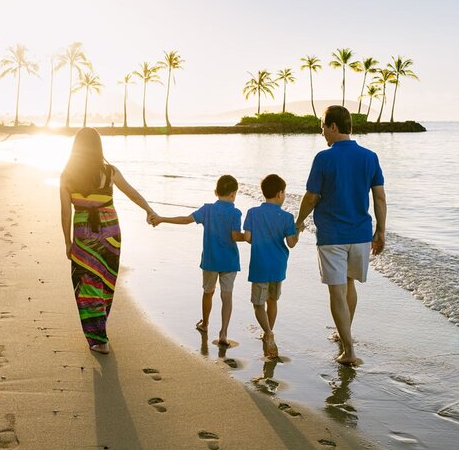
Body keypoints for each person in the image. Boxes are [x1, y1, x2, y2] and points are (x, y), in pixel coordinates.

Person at [295, 105, 387, 365]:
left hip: (332, 236)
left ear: (333, 126)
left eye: (323, 126)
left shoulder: (323, 158)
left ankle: (349, 351)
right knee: (349, 284)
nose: (322, 132)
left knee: (337, 291)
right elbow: (379, 197)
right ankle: (343, 332)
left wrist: (299, 220)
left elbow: (312, 196)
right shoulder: (370, 156)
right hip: (360, 234)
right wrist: (381, 230)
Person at [59, 127, 157, 354]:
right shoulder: (110, 171)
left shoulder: (67, 175)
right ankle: (100, 330)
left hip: (84, 234)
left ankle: (98, 337)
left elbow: (65, 213)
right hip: (111, 232)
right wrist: (148, 209)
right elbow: (131, 193)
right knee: (106, 280)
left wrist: (67, 242)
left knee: (87, 282)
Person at [154, 175, 245, 345]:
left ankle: (205, 323)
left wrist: (162, 219)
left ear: (216, 192)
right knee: (227, 296)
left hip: (211, 261)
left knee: (208, 292)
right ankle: (224, 332)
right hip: (229, 262)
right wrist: (249, 237)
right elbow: (235, 236)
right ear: (234, 194)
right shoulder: (235, 212)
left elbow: (186, 220)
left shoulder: (207, 210)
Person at [243, 174, 298, 358]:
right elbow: (291, 243)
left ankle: (268, 333)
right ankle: (269, 333)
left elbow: (249, 238)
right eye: (284, 193)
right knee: (272, 301)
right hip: (278, 266)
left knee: (258, 304)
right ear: (279, 193)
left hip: (260, 265)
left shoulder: (252, 213)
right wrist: (297, 231)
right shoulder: (287, 217)